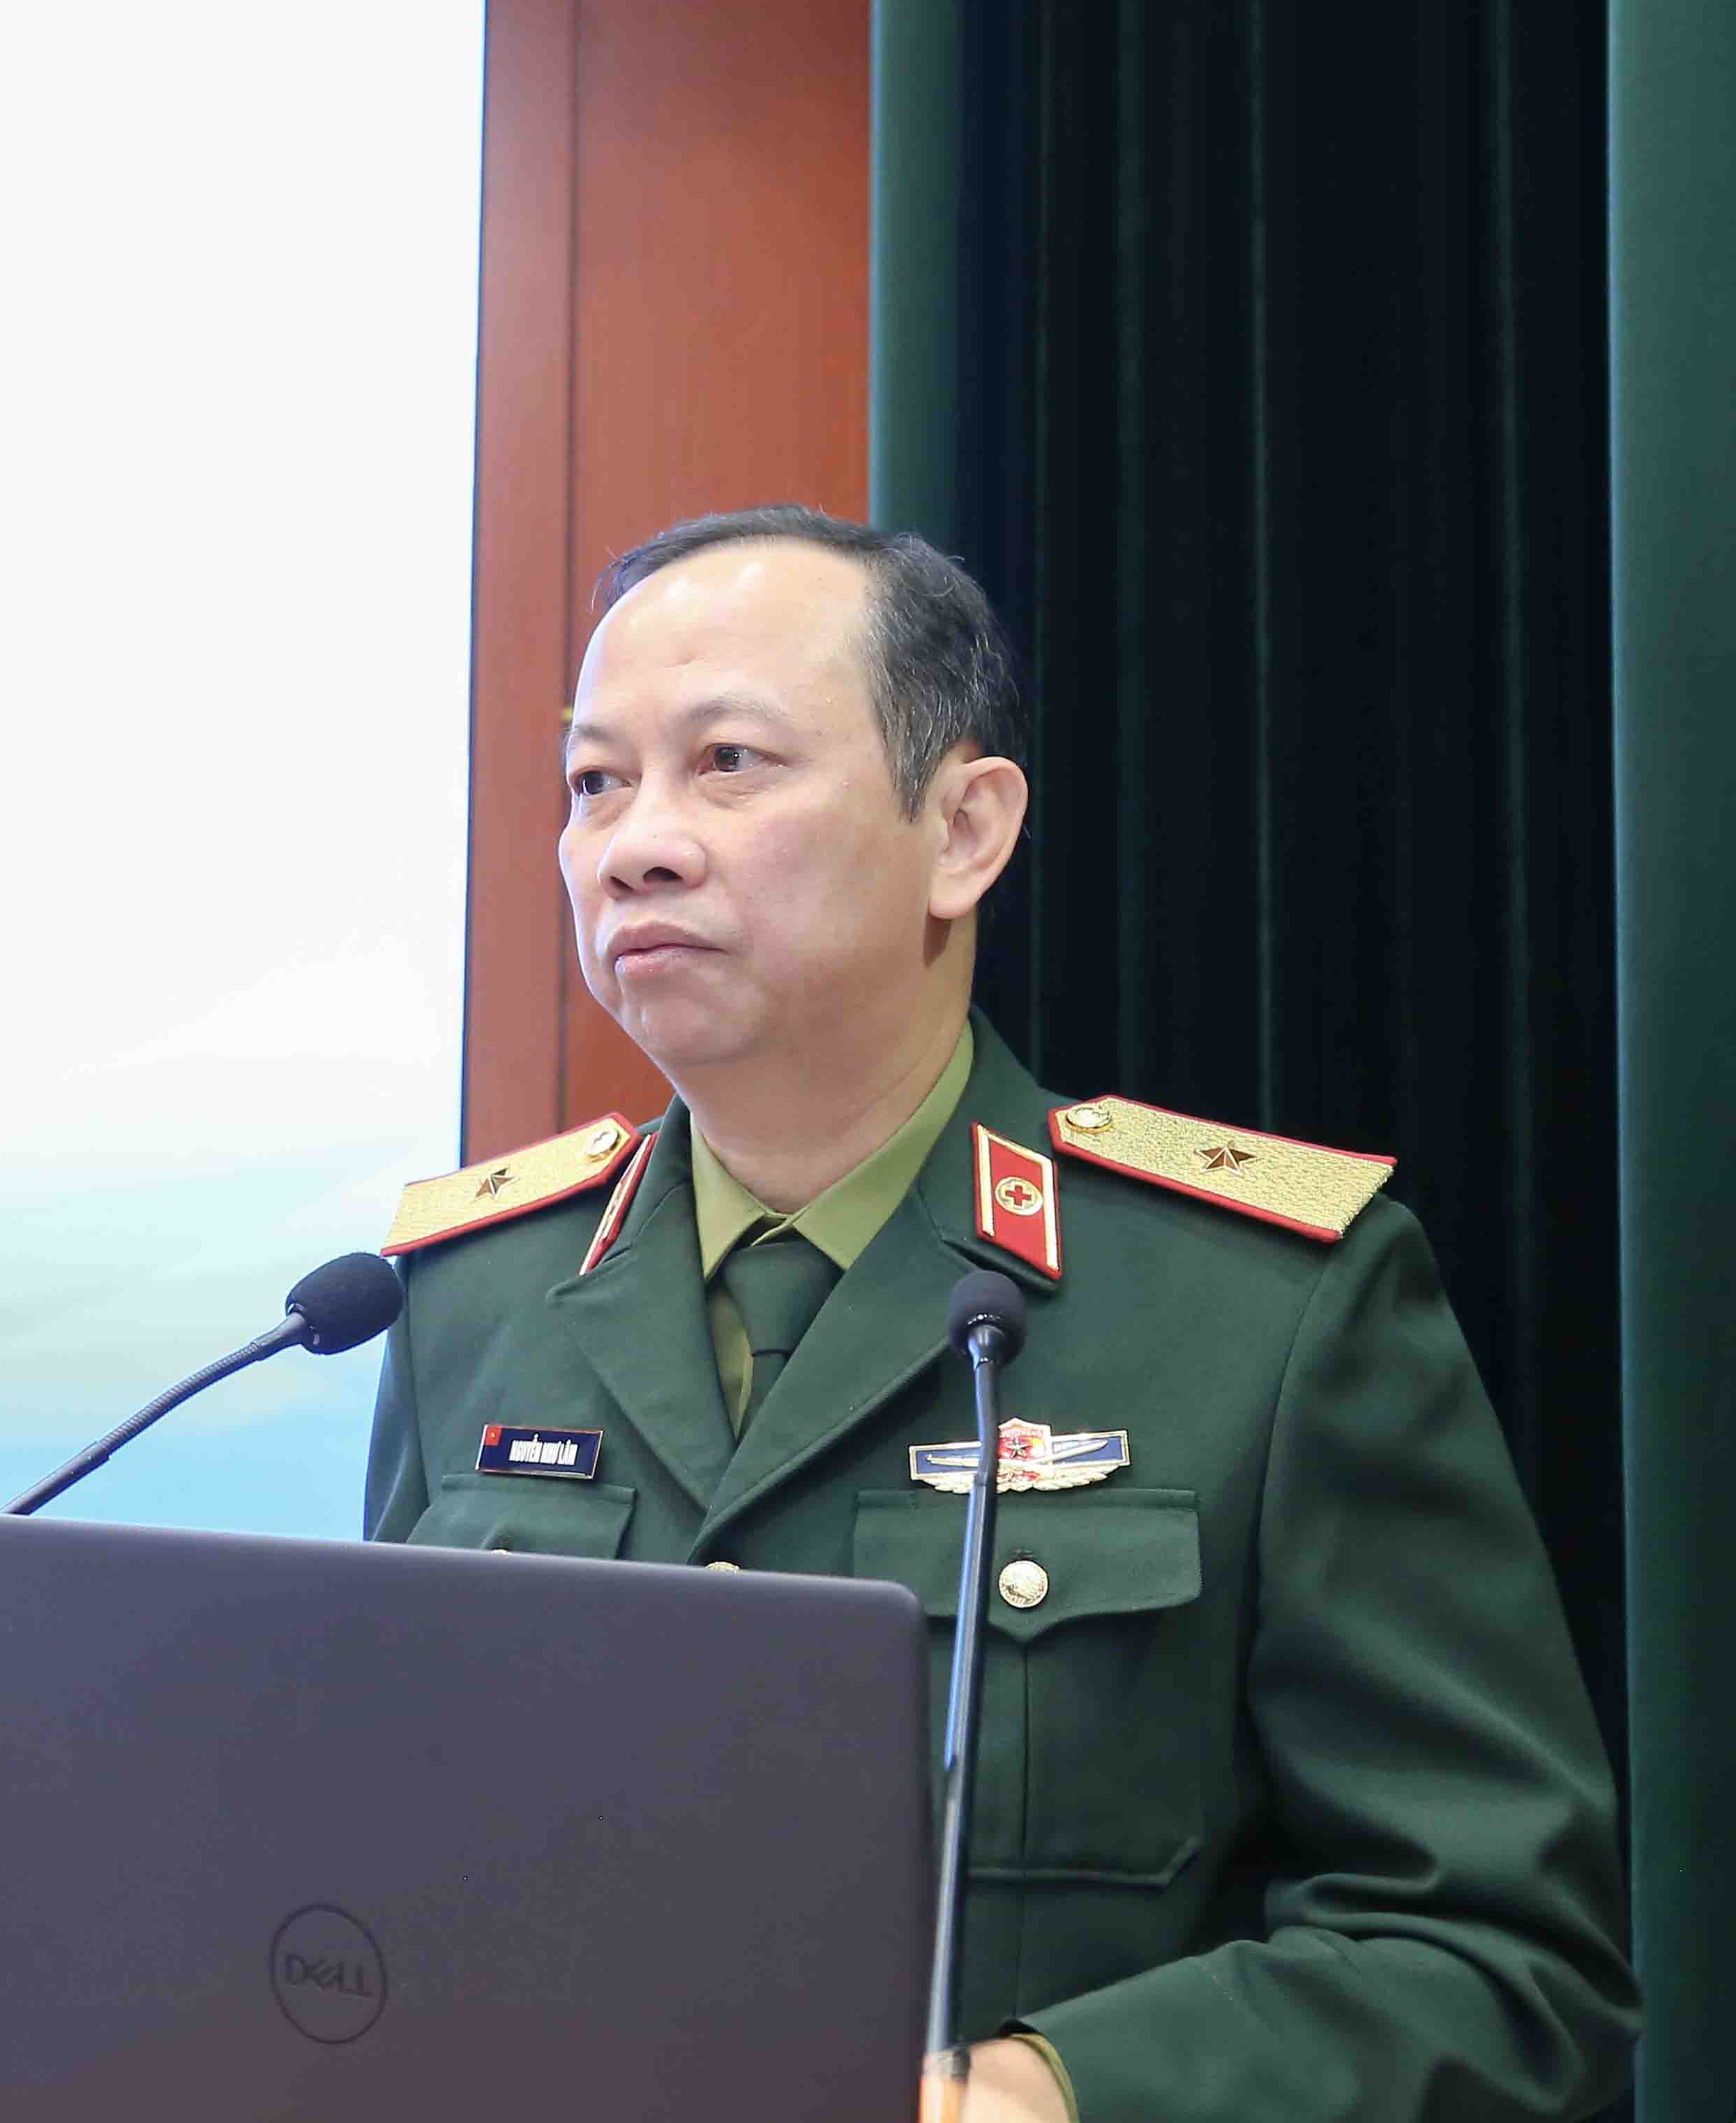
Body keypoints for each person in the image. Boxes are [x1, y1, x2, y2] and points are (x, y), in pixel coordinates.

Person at [362, 508, 1637, 2123]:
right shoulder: (464, 1297)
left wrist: (1066, 2090)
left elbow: (1505, 1962)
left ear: (964, 831)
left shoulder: (1265, 1311)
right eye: (596, 782)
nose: (636, 845)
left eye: (729, 762)